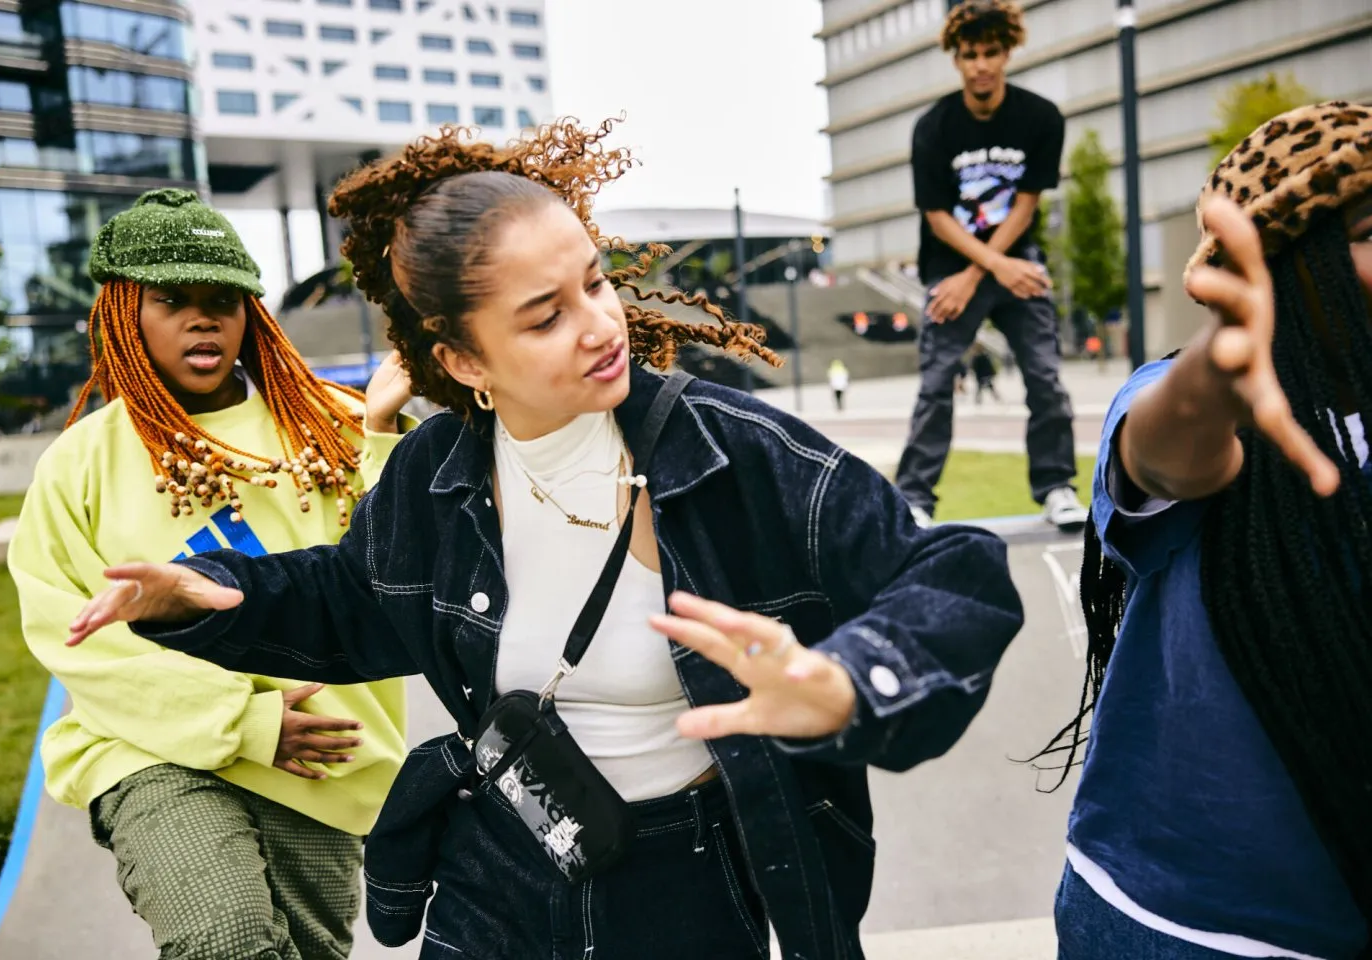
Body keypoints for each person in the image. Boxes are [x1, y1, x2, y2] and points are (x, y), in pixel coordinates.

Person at [61, 120, 1025, 960]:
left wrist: (851, 677)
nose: (601, 324)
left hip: (690, 885)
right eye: (546, 315)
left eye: (595, 282)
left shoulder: (733, 451)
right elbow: (353, 601)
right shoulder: (434, 476)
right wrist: (203, 594)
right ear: (463, 359)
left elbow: (955, 574)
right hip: (499, 874)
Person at [8, 188, 415, 959]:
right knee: (223, 938)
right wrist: (243, 720)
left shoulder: (329, 421)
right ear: (126, 313)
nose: (204, 318)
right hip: (148, 746)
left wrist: (385, 434)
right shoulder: (80, 462)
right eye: (173, 300)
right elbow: (70, 638)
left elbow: (396, 567)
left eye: (223, 299)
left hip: (321, 754)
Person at [1036, 102, 1372, 959]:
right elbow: (1168, 456)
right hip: (1176, 925)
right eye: (1368, 232)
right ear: (1291, 264)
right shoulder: (1180, 399)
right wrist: (1217, 370)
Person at [896, 0, 1086, 531]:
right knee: (936, 383)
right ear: (956, 60)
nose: (981, 64)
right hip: (948, 268)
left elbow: (1026, 203)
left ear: (1008, 53)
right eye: (970, 54)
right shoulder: (933, 127)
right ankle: (914, 500)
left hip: (1014, 265)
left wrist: (986, 270)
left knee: (1046, 377)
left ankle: (1056, 487)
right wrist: (980, 271)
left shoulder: (1040, 117)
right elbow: (937, 216)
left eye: (991, 53)